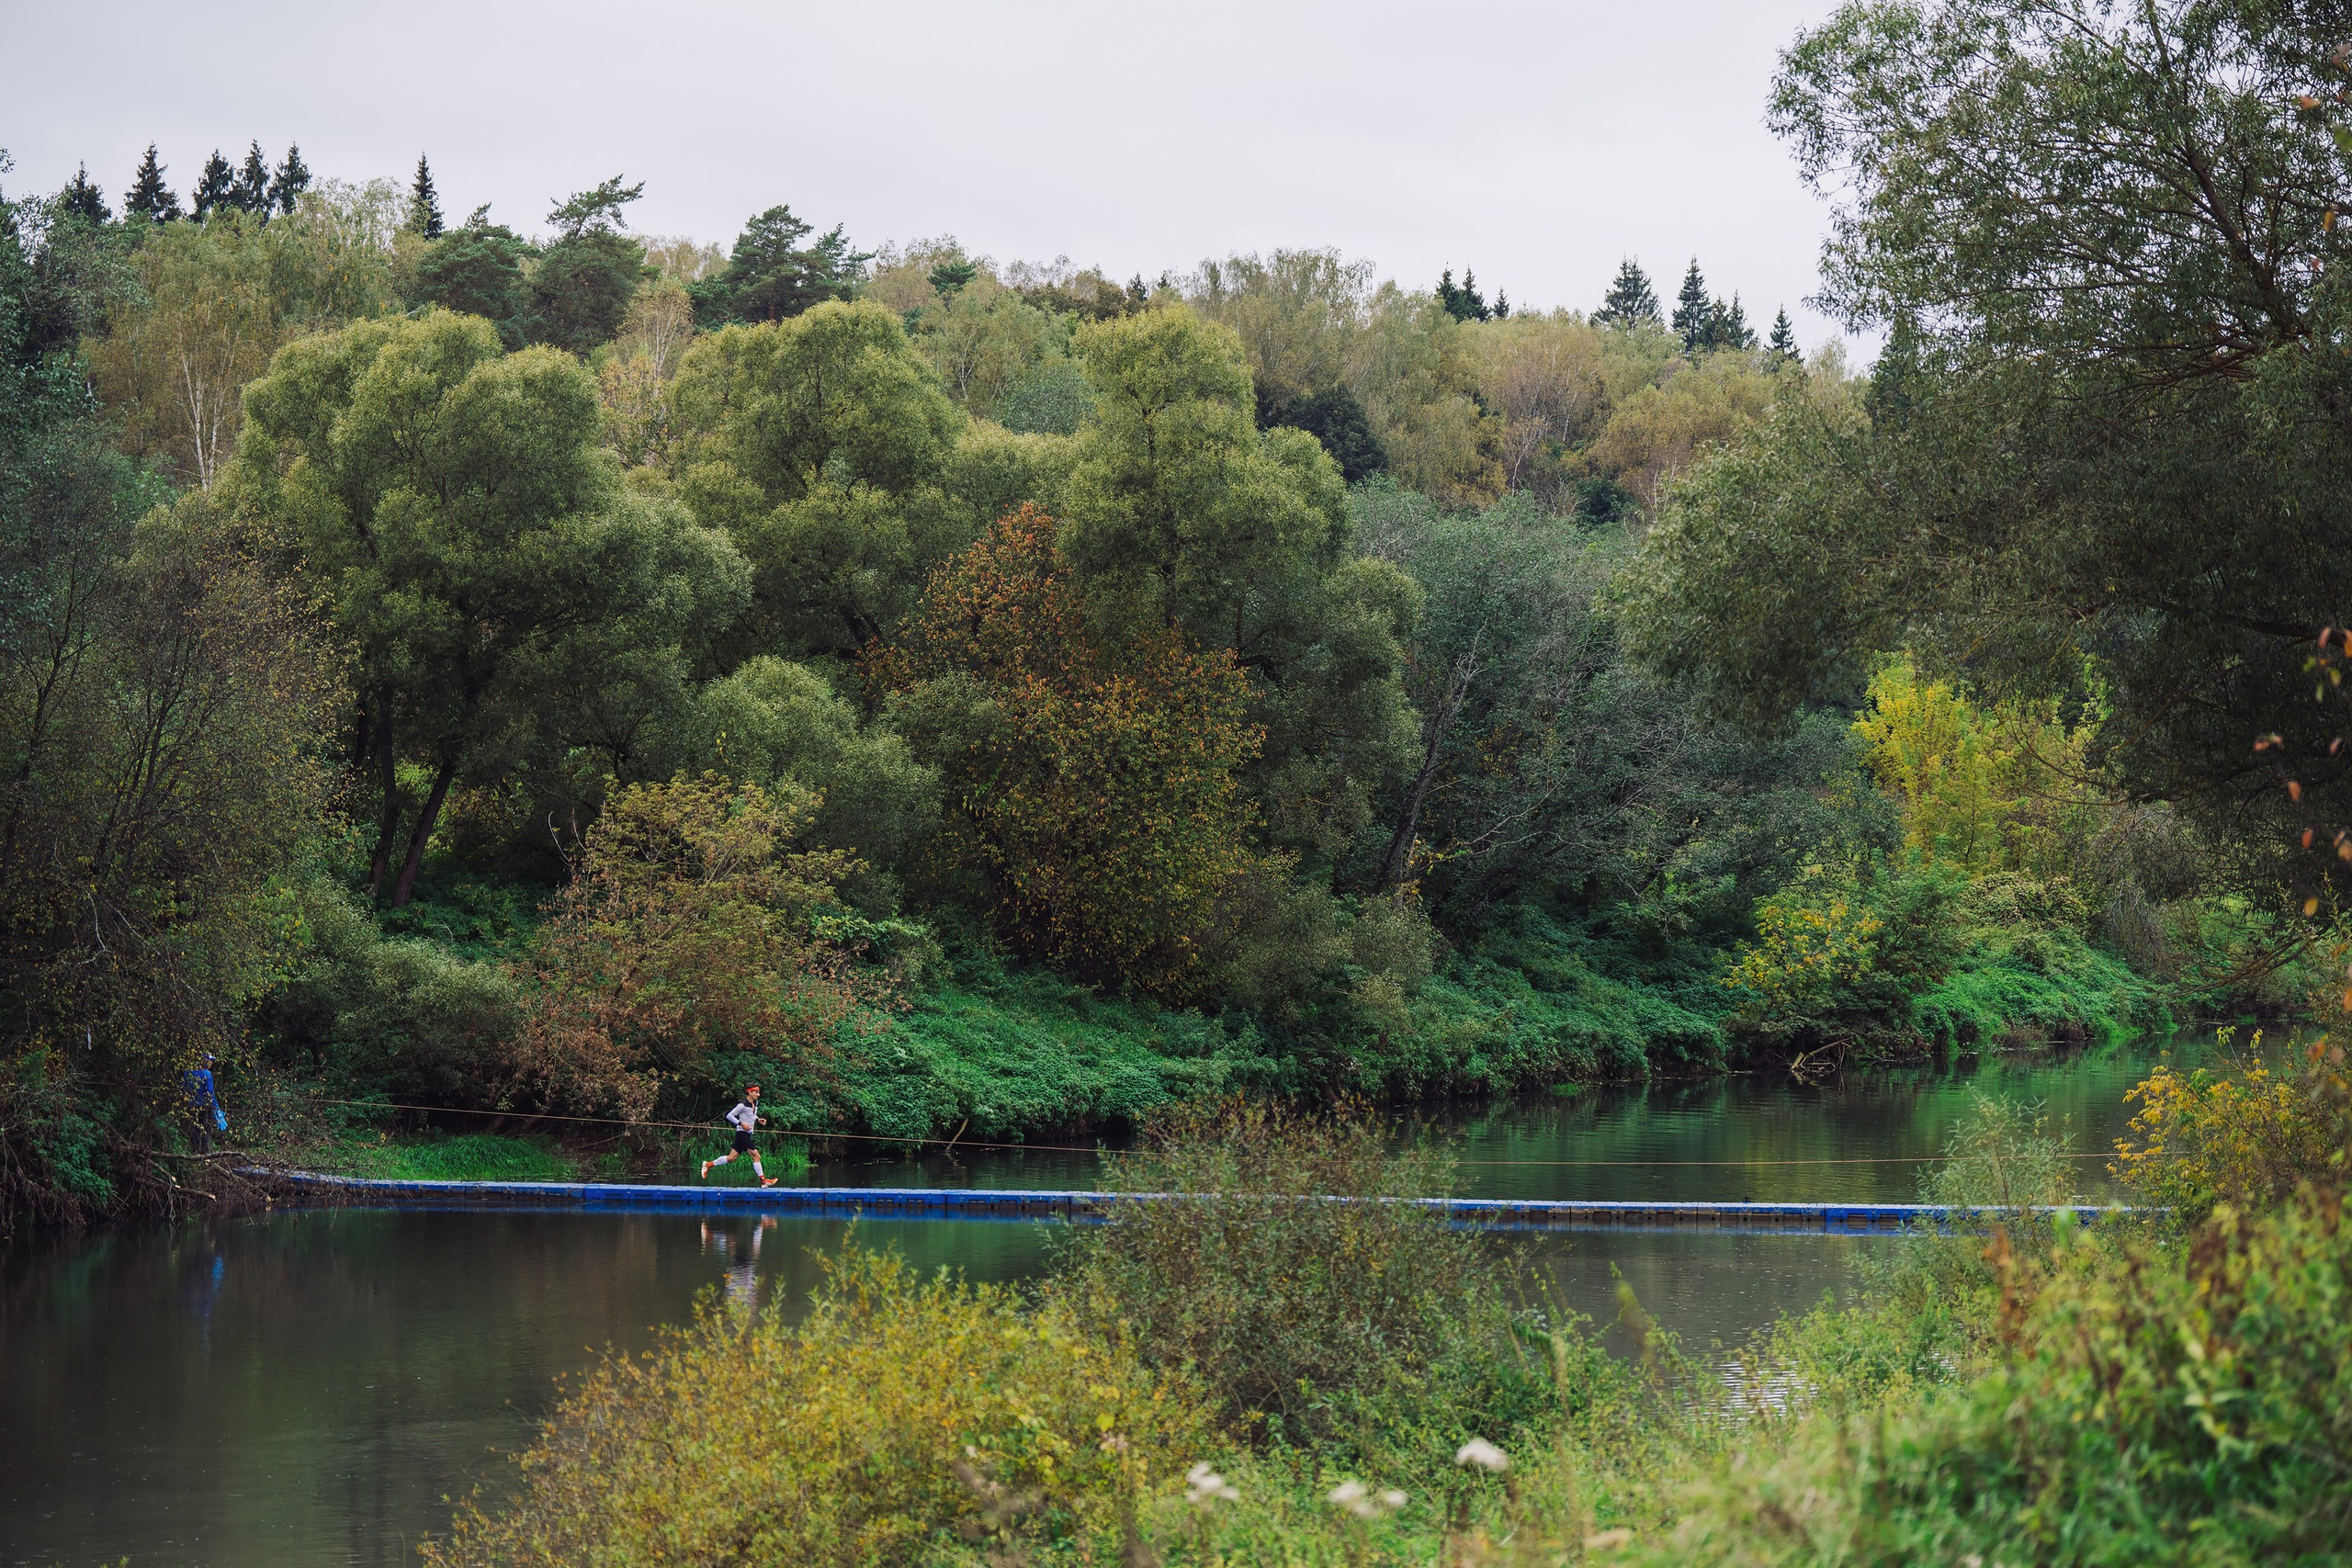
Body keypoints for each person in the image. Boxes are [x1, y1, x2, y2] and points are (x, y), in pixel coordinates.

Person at [701, 1084, 778, 1186]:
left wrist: (758, 1119)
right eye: (756, 1092)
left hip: (747, 1134)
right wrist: (741, 1124)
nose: (758, 1094)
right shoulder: (742, 1105)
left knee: (731, 1158)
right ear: (749, 1092)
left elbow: (751, 1115)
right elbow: (729, 1116)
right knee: (756, 1156)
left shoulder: (755, 1103)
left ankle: (708, 1164)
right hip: (742, 1134)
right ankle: (764, 1181)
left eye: (758, 1092)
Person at [182, 1054, 225, 1156]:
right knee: (206, 1128)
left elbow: (183, 1088)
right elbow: (210, 1092)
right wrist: (216, 1108)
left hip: (192, 1105)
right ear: (204, 1061)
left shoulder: (188, 1073)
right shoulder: (207, 1074)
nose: (211, 1063)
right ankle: (205, 1152)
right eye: (210, 1061)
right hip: (205, 1106)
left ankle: (195, 1151)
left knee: (195, 1128)